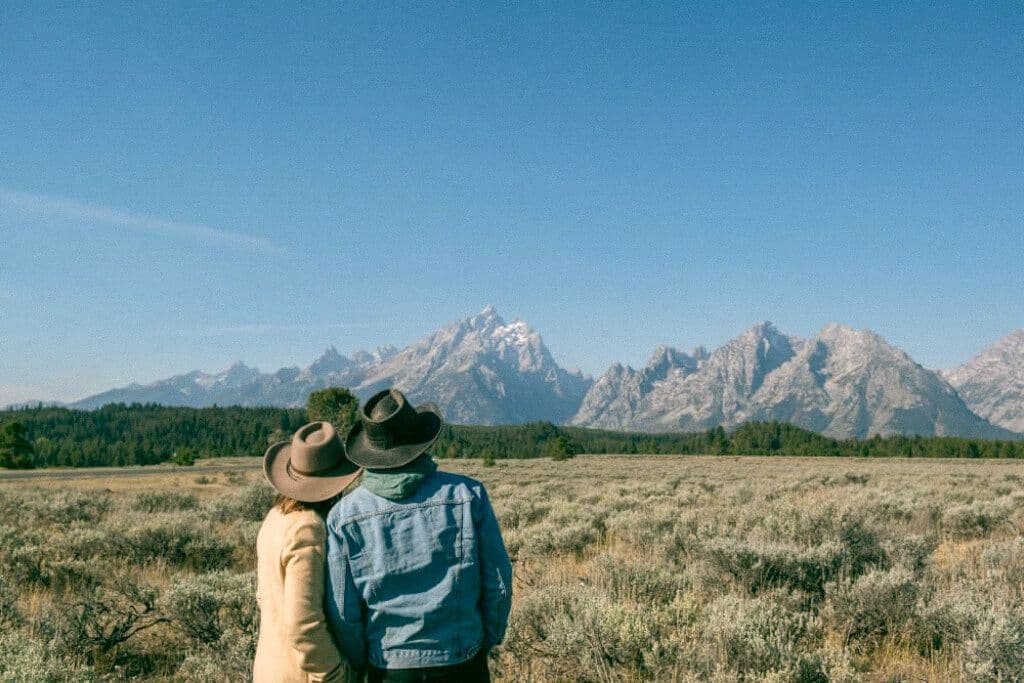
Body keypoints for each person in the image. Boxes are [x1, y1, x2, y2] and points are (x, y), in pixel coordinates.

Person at [325, 389, 513, 682]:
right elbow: (498, 585)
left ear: (370, 451)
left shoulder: (344, 515)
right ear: (420, 444)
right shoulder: (468, 495)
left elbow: (342, 609)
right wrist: (485, 640)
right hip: (462, 660)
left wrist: (365, 660)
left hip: (388, 665)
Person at [255, 421, 363, 683]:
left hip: (269, 667)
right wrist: (333, 673)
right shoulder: (308, 526)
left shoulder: (275, 518)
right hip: (302, 674)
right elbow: (303, 622)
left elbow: (264, 597)